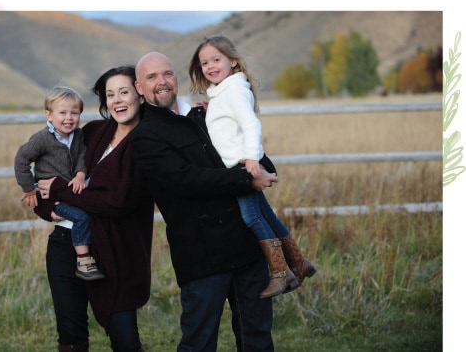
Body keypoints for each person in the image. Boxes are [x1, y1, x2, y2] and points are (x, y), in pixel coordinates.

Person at [130, 51, 277, 351]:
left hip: (247, 247)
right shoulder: (145, 138)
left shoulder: (205, 116)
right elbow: (188, 180)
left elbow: (250, 156)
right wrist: (247, 179)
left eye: (167, 74)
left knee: (257, 338)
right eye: (152, 77)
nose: (162, 82)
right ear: (139, 88)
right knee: (199, 341)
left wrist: (258, 164)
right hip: (202, 256)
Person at [188, 34, 317, 298]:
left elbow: (250, 124)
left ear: (233, 61)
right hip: (237, 163)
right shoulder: (224, 91)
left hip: (241, 166)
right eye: (204, 63)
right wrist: (211, 108)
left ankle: (281, 273)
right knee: (266, 215)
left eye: (216, 59)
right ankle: (299, 263)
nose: (210, 66)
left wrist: (251, 158)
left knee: (251, 217)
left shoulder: (233, 89)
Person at [35, 65, 153, 352]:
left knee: (125, 340)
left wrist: (60, 190)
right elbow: (48, 170)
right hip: (64, 244)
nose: (117, 100)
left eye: (124, 92)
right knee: (71, 336)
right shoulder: (93, 131)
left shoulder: (148, 142)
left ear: (139, 94)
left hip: (117, 251)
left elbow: (117, 201)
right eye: (110, 94)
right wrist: (46, 206)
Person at [14, 84, 104, 281]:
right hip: (52, 194)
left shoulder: (78, 135)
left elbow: (82, 154)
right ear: (49, 115)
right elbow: (21, 158)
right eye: (62, 112)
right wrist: (29, 189)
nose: (69, 118)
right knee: (81, 217)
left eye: (74, 113)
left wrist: (81, 174)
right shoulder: (43, 139)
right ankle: (84, 260)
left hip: (70, 190)